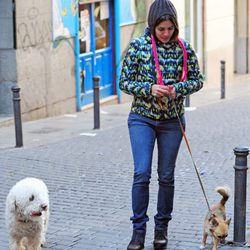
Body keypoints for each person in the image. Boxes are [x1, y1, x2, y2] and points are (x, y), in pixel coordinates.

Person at [119, 0, 204, 249]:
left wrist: (178, 89)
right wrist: (148, 89)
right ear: (152, 26)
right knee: (141, 173)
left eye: (170, 29)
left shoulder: (183, 49)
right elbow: (124, 81)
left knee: (166, 176)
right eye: (161, 29)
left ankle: (161, 229)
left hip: (171, 122)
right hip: (142, 118)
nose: (166, 34)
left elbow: (198, 80)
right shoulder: (138, 46)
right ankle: (138, 231)